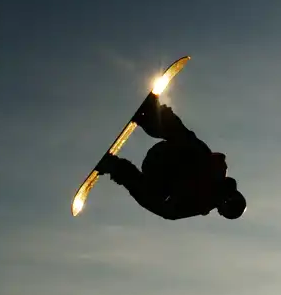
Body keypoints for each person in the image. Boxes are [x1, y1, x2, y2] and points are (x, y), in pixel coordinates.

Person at [97, 93, 247, 220]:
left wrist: (121, 171)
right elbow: (197, 146)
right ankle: (154, 116)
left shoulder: (201, 204)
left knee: (161, 203)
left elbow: (166, 211)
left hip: (158, 171)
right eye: (222, 208)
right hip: (167, 155)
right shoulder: (217, 172)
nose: (219, 209)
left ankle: (117, 167)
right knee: (196, 149)